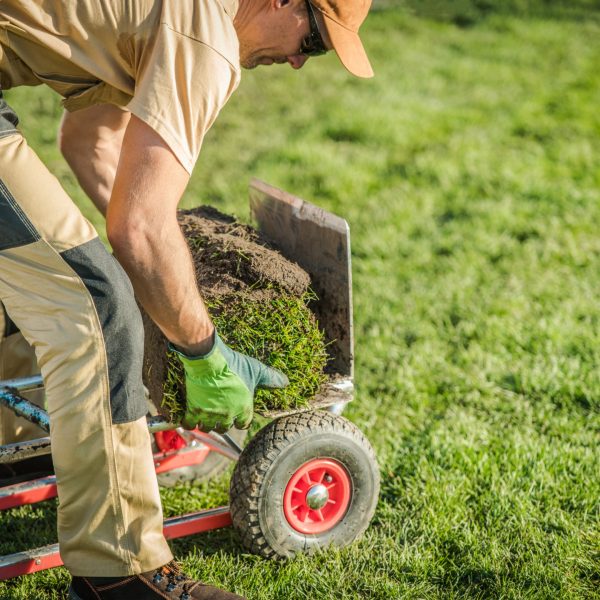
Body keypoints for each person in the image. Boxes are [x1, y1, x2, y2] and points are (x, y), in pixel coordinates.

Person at [0, 0, 373, 598]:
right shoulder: (207, 37)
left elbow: (88, 141)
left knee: (34, 268)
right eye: (316, 41)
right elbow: (139, 228)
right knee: (95, 307)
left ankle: (22, 447)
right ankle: (121, 571)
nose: (301, 63)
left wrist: (175, 267)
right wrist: (201, 349)